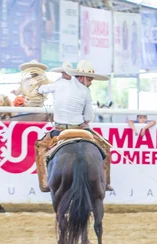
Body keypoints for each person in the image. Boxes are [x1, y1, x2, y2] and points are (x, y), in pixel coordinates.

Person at [35, 60, 112, 192]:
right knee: (105, 146)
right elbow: (88, 117)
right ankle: (105, 182)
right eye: (90, 79)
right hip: (80, 129)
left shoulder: (60, 84)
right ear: (82, 77)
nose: (91, 82)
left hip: (59, 130)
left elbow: (41, 90)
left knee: (40, 146)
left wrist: (36, 88)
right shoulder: (86, 92)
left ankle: (44, 182)